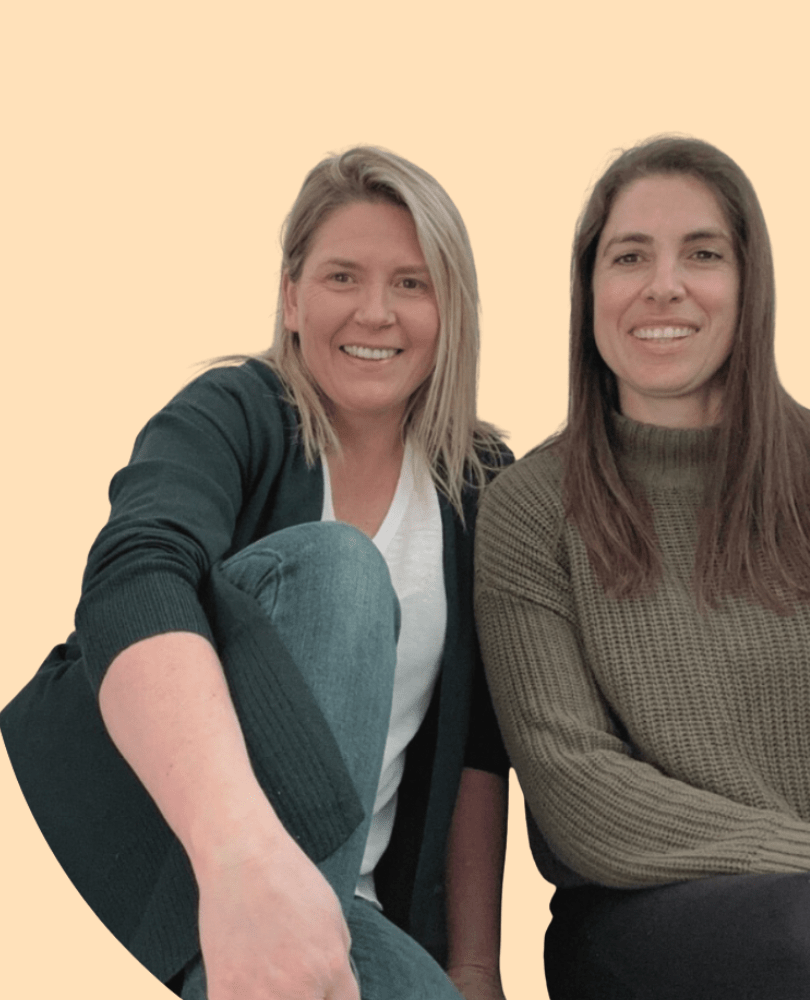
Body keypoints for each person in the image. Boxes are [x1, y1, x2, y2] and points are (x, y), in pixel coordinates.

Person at [474, 135, 810, 1000]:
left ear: (750, 286)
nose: (664, 284)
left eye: (703, 254)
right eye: (629, 256)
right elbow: (580, 789)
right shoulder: (533, 510)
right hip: (650, 921)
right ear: (589, 292)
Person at [2, 147, 511, 1000]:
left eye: (412, 284)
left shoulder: (480, 482)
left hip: (346, 918)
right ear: (292, 297)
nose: (375, 313)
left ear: (451, 307)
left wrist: (475, 969)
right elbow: (134, 578)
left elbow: (479, 756)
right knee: (343, 574)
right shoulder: (236, 412)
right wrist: (243, 859)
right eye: (342, 276)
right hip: (172, 867)